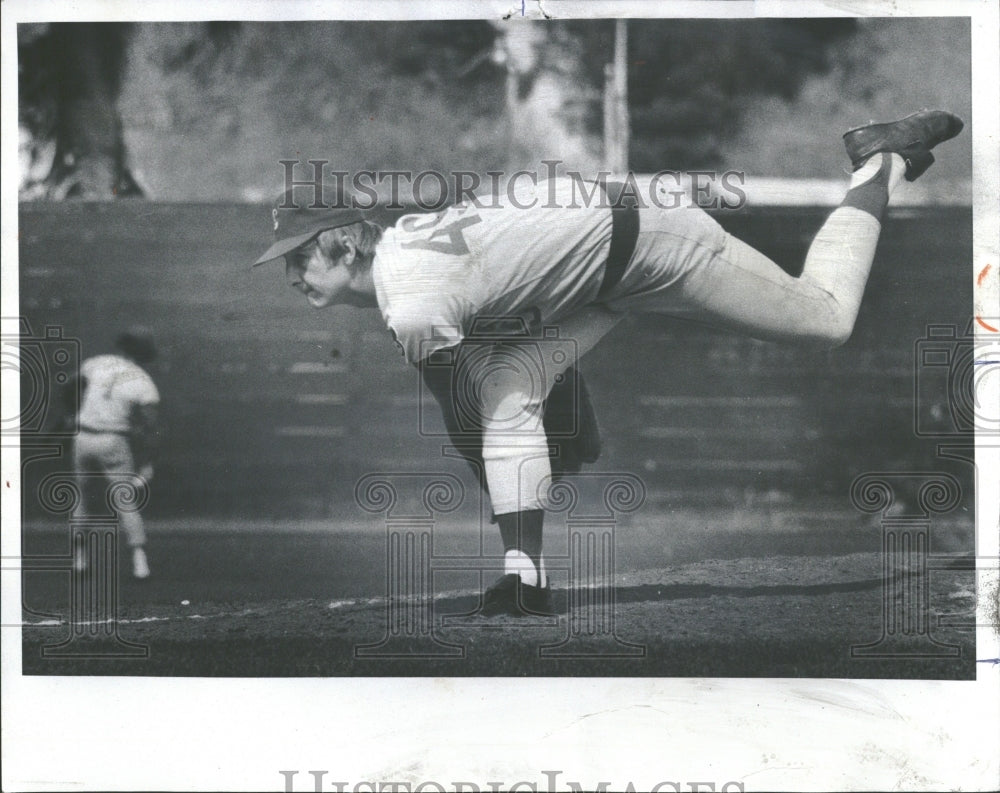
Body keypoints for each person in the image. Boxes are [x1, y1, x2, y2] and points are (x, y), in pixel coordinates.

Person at [254, 109, 963, 616]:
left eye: (298, 257)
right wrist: (551, 429)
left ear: (344, 245)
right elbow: (507, 319)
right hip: (605, 245)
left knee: (827, 318)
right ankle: (524, 576)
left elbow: (468, 414)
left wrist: (536, 467)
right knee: (510, 391)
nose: (290, 275)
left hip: (648, 243)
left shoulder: (407, 299)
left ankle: (881, 160)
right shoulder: (403, 249)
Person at [70, 327, 161, 579]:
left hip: (83, 436)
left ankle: (80, 558)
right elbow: (152, 426)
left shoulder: (96, 362)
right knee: (124, 499)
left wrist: (73, 411)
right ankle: (139, 560)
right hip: (113, 440)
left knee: (81, 497)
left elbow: (71, 385)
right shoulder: (143, 381)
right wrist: (148, 462)